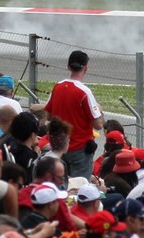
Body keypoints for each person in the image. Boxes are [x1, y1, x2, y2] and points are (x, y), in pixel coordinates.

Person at [38, 49, 104, 178]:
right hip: (79, 148)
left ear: (68, 66)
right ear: (85, 68)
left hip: (59, 146)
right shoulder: (84, 92)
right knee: (79, 186)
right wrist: (99, 110)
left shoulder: (57, 87)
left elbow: (50, 116)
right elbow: (98, 125)